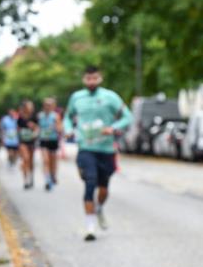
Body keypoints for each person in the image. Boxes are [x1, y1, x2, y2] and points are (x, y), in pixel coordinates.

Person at [63, 65, 133, 241]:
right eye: (88, 78)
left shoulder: (110, 97)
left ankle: (99, 207)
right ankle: (90, 227)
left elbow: (128, 117)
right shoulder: (77, 98)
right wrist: (69, 129)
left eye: (94, 78)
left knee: (103, 188)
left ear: (100, 78)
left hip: (106, 149)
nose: (91, 82)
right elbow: (67, 117)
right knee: (90, 182)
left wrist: (113, 128)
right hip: (86, 147)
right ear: (83, 79)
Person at [37, 97, 63, 191]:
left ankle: (53, 175)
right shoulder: (40, 116)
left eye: (50, 105)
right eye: (46, 105)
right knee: (45, 160)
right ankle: (47, 180)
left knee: (53, 161)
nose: (48, 106)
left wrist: (57, 126)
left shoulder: (56, 116)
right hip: (43, 140)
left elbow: (60, 129)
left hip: (53, 140)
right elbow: (37, 128)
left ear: (53, 106)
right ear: (43, 106)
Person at [17, 100, 39, 188]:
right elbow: (18, 129)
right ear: (25, 107)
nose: (30, 108)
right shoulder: (21, 117)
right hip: (23, 141)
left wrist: (34, 127)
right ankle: (25, 180)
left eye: (31, 106)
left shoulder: (34, 117)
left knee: (30, 160)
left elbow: (38, 128)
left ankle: (31, 177)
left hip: (32, 141)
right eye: (29, 106)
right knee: (25, 159)